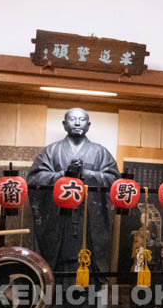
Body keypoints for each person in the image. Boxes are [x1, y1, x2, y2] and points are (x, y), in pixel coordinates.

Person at [26, 108, 118, 274]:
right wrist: (63, 175)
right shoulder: (51, 151)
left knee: (88, 264)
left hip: (90, 221)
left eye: (82, 119)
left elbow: (115, 182)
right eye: (72, 119)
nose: (77, 123)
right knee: (60, 266)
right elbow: (34, 179)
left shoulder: (100, 153)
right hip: (59, 221)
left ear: (88, 125)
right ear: (64, 124)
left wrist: (87, 174)